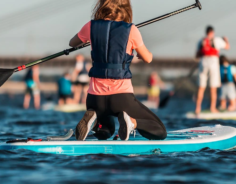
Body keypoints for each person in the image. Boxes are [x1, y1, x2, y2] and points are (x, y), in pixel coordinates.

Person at [69, 0, 167, 141]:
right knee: (159, 130)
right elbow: (148, 58)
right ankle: (131, 122)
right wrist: (139, 52)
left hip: (94, 99)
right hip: (121, 98)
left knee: (106, 131)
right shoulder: (131, 30)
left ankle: (95, 120)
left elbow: (72, 43)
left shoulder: (90, 26)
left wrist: (92, 37)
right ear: (125, 8)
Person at [195, 26, 230, 114]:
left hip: (203, 62)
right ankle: (212, 108)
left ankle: (198, 108)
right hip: (213, 62)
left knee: (201, 88)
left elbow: (197, 55)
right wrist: (226, 40)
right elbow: (227, 47)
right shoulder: (217, 40)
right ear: (212, 32)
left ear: (206, 32)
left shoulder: (201, 41)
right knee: (213, 88)